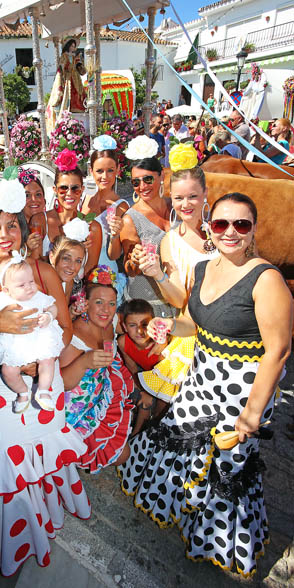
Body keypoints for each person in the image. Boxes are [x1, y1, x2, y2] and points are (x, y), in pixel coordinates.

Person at [119, 192, 293, 576]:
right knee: (182, 441)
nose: (230, 232)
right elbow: (193, 323)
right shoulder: (202, 268)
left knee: (227, 468)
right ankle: (186, 512)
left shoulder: (267, 280)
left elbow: (278, 352)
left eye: (241, 224)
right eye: (221, 223)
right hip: (201, 376)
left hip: (241, 391)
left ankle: (216, 539)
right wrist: (168, 326)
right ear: (210, 227)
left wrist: (250, 416)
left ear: (253, 229)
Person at [0, 172, 90, 577]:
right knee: (7, 458)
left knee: (47, 440)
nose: (5, 234)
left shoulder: (42, 270)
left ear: (25, 229)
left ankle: (46, 510)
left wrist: (39, 362)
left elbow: (64, 327)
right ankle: (13, 533)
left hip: (43, 376)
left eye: (13, 224)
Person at [137, 144, 219, 416]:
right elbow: (181, 300)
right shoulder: (170, 242)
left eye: (193, 197)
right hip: (193, 335)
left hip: (230, 333)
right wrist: (157, 275)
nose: (185, 205)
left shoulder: (224, 232)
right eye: (179, 198)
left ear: (205, 194)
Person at [60, 266, 134, 473]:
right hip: (73, 414)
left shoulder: (109, 324)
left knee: (122, 454)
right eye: (99, 302)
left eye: (111, 304)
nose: (106, 310)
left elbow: (125, 327)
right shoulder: (74, 336)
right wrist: (84, 362)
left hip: (100, 397)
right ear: (85, 303)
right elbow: (61, 383)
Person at [0, 254, 64, 412]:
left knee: (48, 361)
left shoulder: (39, 297)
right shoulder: (2, 299)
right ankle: (22, 392)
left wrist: (49, 316)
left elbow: (53, 307)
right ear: (7, 290)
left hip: (39, 337)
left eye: (31, 281)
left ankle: (43, 390)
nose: (29, 287)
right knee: (8, 371)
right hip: (15, 343)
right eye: (22, 285)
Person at [111, 136, 174, 317]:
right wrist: (135, 261)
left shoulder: (178, 208)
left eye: (148, 179)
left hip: (180, 298)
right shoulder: (130, 219)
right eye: (136, 182)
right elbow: (129, 269)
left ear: (161, 175)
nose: (142, 186)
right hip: (148, 307)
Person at [30, 150, 102, 276]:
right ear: (55, 190)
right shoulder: (39, 221)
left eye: (75, 188)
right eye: (63, 188)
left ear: (82, 190)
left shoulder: (93, 227)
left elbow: (90, 270)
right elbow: (36, 263)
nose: (69, 194)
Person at [80, 135, 129, 294]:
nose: (105, 177)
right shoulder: (82, 197)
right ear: (91, 171)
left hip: (104, 276)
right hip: (77, 270)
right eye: (99, 171)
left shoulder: (121, 207)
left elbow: (115, 255)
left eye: (110, 171)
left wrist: (115, 235)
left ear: (118, 171)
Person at [117, 299, 166, 434]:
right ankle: (136, 434)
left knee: (161, 406)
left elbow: (166, 380)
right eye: (133, 325)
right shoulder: (122, 342)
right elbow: (132, 368)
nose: (139, 330)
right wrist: (144, 392)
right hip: (145, 375)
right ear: (125, 327)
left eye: (145, 324)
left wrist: (151, 394)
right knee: (142, 400)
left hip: (166, 381)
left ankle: (154, 427)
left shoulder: (161, 347)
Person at [46, 37, 87, 131]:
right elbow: (62, 67)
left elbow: (81, 70)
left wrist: (80, 63)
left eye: (74, 46)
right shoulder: (64, 56)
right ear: (68, 46)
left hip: (75, 78)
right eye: (72, 46)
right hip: (68, 78)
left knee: (79, 93)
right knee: (68, 94)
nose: (73, 48)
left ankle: (78, 108)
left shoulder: (74, 57)